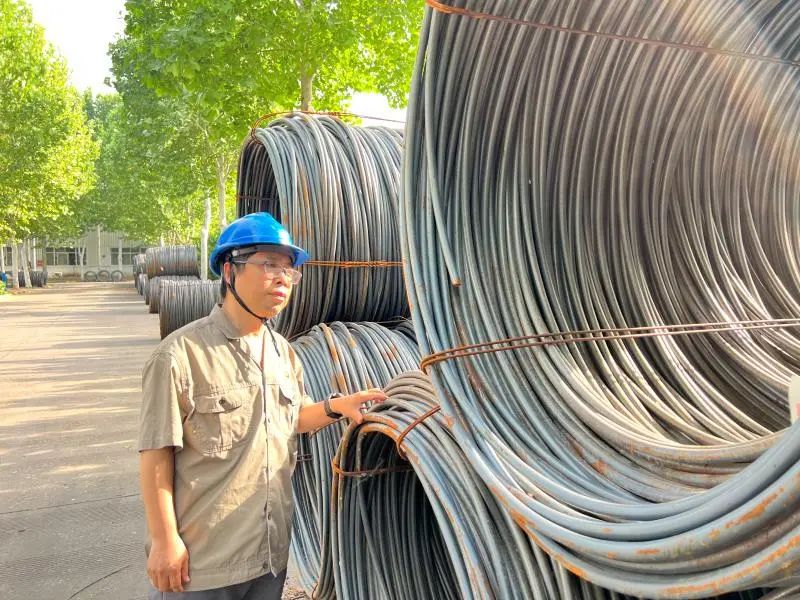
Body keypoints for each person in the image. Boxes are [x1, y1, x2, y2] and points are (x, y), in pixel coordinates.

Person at [138, 212, 386, 599]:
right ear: (229, 270)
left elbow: (292, 418)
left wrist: (336, 407)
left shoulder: (282, 351)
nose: (283, 278)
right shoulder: (180, 355)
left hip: (269, 555)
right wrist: (164, 540)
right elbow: (156, 453)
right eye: (269, 264)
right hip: (205, 562)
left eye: (289, 269)